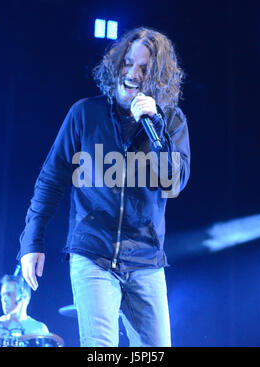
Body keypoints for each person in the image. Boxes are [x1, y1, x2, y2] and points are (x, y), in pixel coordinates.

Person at [18, 27, 191, 347]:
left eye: (144, 68)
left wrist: (155, 128)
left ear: (158, 78)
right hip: (93, 254)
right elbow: (51, 179)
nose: (133, 74)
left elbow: (173, 183)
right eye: (127, 63)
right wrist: (31, 239)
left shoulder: (171, 121)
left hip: (146, 261)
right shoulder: (85, 113)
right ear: (115, 65)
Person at [0, 274, 49, 338]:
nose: (4, 299)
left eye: (9, 294)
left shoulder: (39, 330)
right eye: (2, 295)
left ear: (24, 296)